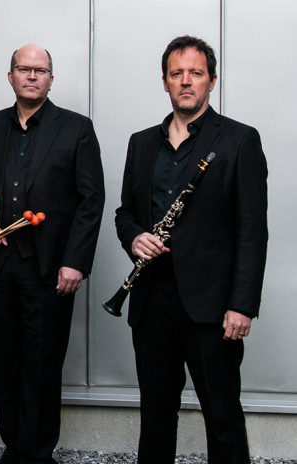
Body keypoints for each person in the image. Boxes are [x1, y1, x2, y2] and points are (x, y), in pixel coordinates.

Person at [114, 36, 267, 463]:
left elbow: (252, 230)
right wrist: (134, 238)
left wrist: (242, 305)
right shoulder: (141, 142)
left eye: (196, 73)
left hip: (213, 307)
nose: (186, 81)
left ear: (211, 81)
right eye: (176, 73)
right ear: (165, 81)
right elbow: (125, 213)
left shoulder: (239, 140)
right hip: (151, 302)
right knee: (156, 416)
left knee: (222, 417)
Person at [0, 44, 105, 464]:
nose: (32, 76)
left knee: (43, 364)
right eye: (24, 69)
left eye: (40, 70)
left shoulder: (77, 129)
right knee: (6, 361)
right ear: (10, 76)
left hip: (51, 269)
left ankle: (39, 454)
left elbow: (91, 201)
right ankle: (14, 449)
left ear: (51, 79)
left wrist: (75, 262)